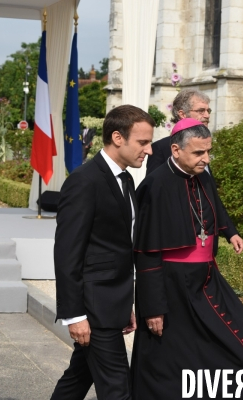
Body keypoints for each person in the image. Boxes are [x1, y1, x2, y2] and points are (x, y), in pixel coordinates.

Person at [132, 119, 243, 400]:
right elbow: (146, 252)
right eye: (199, 153)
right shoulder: (156, 184)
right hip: (172, 285)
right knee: (171, 353)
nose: (206, 159)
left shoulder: (202, 174)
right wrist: (152, 308)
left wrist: (230, 232)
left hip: (205, 277)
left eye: (208, 152)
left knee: (240, 339)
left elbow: (214, 204)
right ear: (176, 151)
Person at [51, 105, 154, 400]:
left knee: (78, 378)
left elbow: (118, 248)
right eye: (142, 143)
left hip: (112, 305)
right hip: (94, 309)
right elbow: (67, 253)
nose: (148, 151)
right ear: (118, 137)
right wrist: (74, 315)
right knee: (118, 388)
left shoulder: (126, 179)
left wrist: (125, 305)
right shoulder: (84, 181)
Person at [146, 88, 211, 174]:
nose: (207, 115)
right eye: (201, 111)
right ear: (182, 114)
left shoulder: (204, 143)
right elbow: (155, 184)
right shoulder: (161, 148)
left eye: (208, 111)